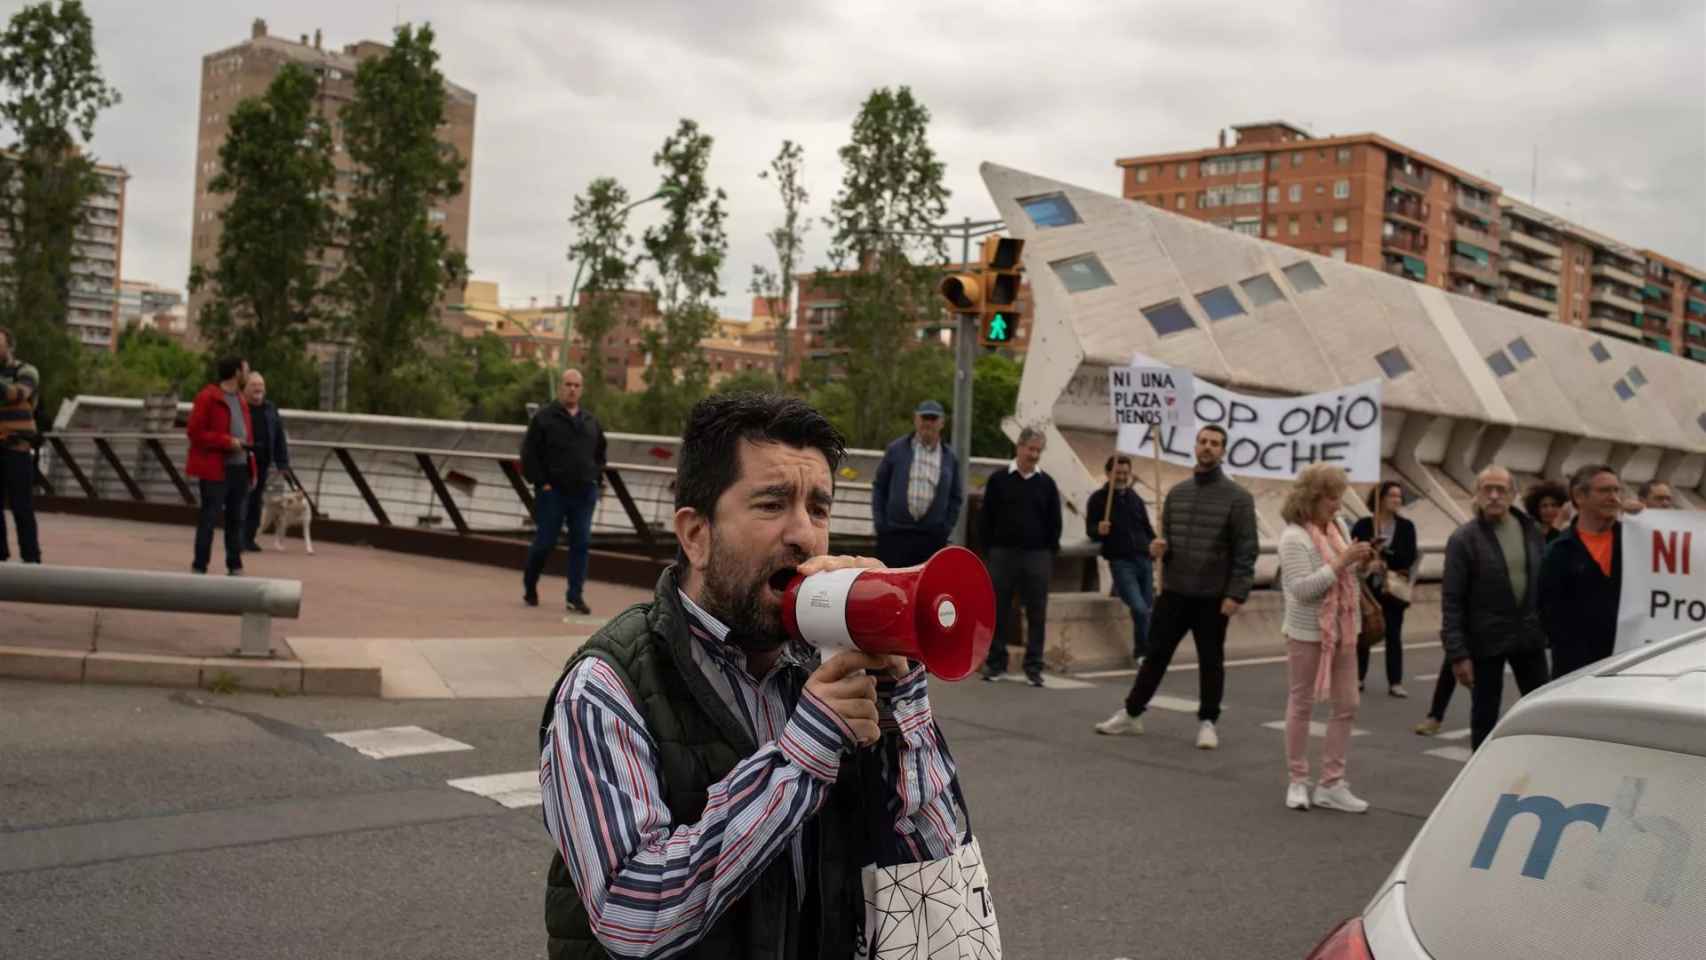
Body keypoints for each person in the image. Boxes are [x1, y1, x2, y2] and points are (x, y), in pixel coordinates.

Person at [538, 393, 967, 959]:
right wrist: (802, 754)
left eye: (818, 508)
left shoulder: (828, 660)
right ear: (696, 535)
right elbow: (630, 913)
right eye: (771, 505)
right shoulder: (606, 687)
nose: (805, 536)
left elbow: (935, 856)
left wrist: (902, 696)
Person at [1096, 425, 1259, 750]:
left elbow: (1246, 550)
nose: (1207, 447)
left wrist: (1235, 593)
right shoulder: (1176, 493)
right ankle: (1132, 713)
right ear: (1195, 446)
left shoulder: (1238, 499)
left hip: (1214, 596)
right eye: (1202, 441)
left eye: (1214, 443)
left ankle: (1208, 721)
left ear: (1223, 451)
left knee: (1210, 660)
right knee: (1155, 655)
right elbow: (1167, 541)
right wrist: (1160, 549)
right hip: (1174, 591)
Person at [1278, 465, 1376, 813]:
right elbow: (1302, 589)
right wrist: (1342, 562)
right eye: (1333, 498)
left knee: (1347, 703)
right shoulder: (1294, 537)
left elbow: (1344, 575)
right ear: (1313, 498)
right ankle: (1298, 780)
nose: (1338, 505)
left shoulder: (1339, 528)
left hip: (1344, 631)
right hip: (1308, 632)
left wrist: (1360, 563)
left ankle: (1331, 783)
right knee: (1302, 703)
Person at [1438, 466, 1550, 750]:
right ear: (1477, 494)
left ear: (1513, 494)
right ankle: (1480, 770)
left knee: (1542, 706)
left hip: (1528, 637)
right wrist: (1458, 653)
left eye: (1501, 489)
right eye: (1487, 489)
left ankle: (1542, 762)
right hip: (1485, 639)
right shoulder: (1464, 539)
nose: (1494, 495)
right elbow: (1451, 599)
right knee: (1484, 715)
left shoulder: (1531, 530)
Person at [978, 426, 1062, 687]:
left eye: (1038, 450)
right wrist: (989, 550)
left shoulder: (1047, 484)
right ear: (1019, 448)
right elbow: (985, 519)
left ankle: (1033, 667)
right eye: (1030, 449)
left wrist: (1047, 551)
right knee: (998, 609)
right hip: (1002, 554)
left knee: (1036, 611)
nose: (1034, 455)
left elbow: (1054, 522)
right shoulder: (998, 480)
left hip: (1037, 556)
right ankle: (995, 663)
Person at [521, 368, 608, 613]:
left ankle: (575, 597)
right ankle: (530, 585)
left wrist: (596, 478)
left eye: (576, 385)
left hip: (584, 493)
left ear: (581, 389)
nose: (572, 389)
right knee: (545, 542)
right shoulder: (543, 419)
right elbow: (529, 455)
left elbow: (601, 453)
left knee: (581, 543)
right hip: (553, 493)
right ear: (560, 387)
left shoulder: (590, 422)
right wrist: (543, 484)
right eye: (568, 384)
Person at [1539, 464, 1624, 678]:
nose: (1614, 497)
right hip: (1577, 669)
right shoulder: (1557, 552)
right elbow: (1547, 613)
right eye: (1605, 491)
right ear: (1579, 496)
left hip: (1629, 663)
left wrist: (1647, 519)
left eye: (1616, 490)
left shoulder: (1636, 541)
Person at [870, 399, 963, 568]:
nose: (928, 422)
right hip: (895, 536)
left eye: (933, 418)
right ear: (916, 419)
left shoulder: (950, 458)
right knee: (891, 588)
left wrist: (944, 529)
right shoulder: (896, 449)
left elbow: (956, 498)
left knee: (926, 590)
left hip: (931, 540)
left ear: (942, 423)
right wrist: (881, 524)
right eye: (924, 417)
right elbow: (879, 487)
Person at [186, 356, 255, 576]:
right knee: (209, 517)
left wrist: (251, 467)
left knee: (236, 519)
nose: (248, 373)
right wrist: (226, 442)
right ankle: (199, 564)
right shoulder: (208, 397)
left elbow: (247, 435)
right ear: (236, 372)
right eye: (246, 369)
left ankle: (234, 564)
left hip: (239, 468)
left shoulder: (242, 400)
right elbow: (195, 433)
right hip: (216, 469)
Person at [1086, 454, 1157, 661]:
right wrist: (1098, 529)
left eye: (1126, 473)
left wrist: (1154, 543)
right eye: (1118, 473)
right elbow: (1090, 529)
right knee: (1139, 607)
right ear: (1108, 473)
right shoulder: (1098, 499)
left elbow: (1146, 527)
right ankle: (1143, 652)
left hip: (1144, 560)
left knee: (1145, 610)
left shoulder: (1135, 498)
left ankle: (1143, 651)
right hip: (1121, 562)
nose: (1122, 477)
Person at [1351, 480, 1417, 698]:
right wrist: (1369, 553)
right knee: (1364, 632)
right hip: (1367, 588)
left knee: (1394, 634)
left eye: (1399, 496)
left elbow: (1408, 557)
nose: (1397, 500)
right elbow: (1353, 550)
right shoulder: (1363, 524)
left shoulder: (1407, 527)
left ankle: (1395, 681)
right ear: (1380, 499)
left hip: (1393, 587)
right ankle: (1358, 677)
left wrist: (1385, 553)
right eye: (1392, 496)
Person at [0, 326, 42, 565]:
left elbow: (18, 394)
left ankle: (32, 560)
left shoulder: (26, 371)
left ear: (9, 347)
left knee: (22, 507)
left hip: (17, 448)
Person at [241, 372, 293, 553]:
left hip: (262, 463)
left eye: (261, 385)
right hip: (240, 460)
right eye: (254, 385)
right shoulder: (240, 407)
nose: (258, 389)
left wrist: (282, 463)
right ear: (245, 388)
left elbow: (279, 436)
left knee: (256, 501)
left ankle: (248, 538)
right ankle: (237, 537)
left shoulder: (270, 409)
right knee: (241, 499)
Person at [1522, 480, 1570, 546]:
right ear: (1537, 510)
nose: (1549, 510)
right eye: (1544, 506)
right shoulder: (1532, 533)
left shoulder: (1568, 532)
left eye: (1554, 505)